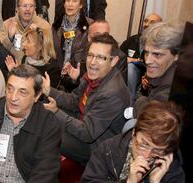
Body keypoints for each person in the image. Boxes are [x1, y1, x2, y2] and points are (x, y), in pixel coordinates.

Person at [44, 34, 130, 165]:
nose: (93, 62)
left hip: (98, 149)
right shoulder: (92, 76)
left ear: (113, 61)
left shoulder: (113, 93)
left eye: (101, 57)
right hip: (83, 123)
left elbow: (87, 133)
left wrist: (56, 112)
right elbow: (74, 101)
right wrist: (48, 90)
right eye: (90, 55)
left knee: (48, 132)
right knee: (43, 111)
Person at [124, 21, 183, 120]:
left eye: (157, 54)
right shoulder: (160, 72)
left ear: (176, 56)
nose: (147, 61)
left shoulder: (173, 88)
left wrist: (142, 100)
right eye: (147, 53)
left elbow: (147, 115)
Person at [120, 13, 163, 100]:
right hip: (129, 76)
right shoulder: (133, 39)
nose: (147, 24)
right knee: (130, 67)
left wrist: (135, 60)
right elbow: (118, 56)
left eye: (152, 22)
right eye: (146, 21)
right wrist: (126, 59)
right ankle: (128, 101)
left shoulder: (161, 45)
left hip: (148, 77)